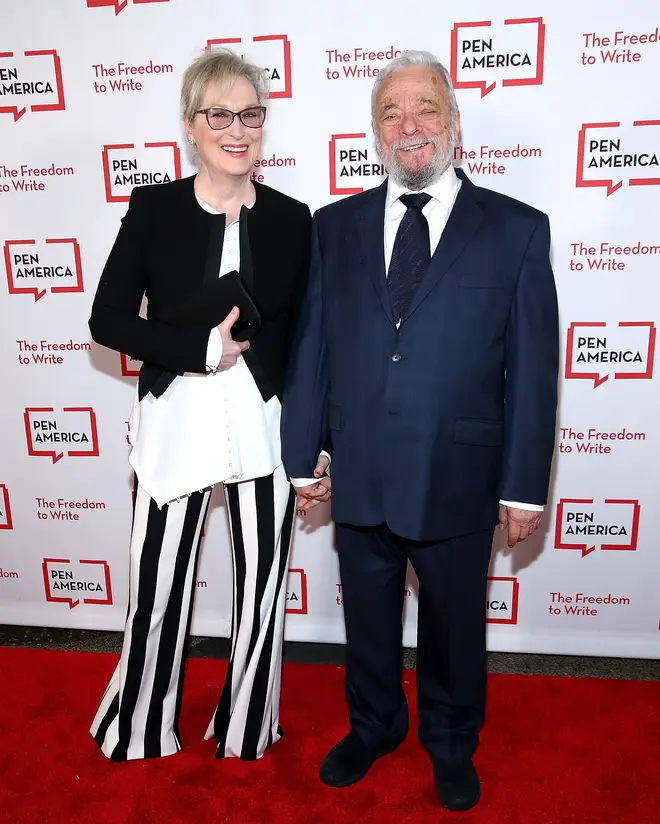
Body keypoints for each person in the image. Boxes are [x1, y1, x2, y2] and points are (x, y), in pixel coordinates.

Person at [281, 50, 559, 811]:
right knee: (366, 618)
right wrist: (303, 457)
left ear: (455, 125)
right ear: (375, 131)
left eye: (425, 108)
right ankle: (372, 726)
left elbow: (533, 370)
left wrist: (525, 484)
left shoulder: (516, 229)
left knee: (453, 628)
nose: (410, 125)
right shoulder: (331, 227)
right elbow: (312, 347)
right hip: (362, 468)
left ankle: (449, 739)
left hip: (460, 474)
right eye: (391, 112)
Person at [88, 48, 315, 762]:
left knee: (263, 593)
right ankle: (140, 725)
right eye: (220, 113)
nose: (237, 129)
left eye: (251, 114)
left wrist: (318, 443)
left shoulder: (292, 217)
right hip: (176, 419)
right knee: (155, 589)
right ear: (192, 124)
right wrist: (199, 351)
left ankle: (249, 726)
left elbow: (310, 338)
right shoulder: (153, 208)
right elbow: (109, 320)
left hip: (266, 425)